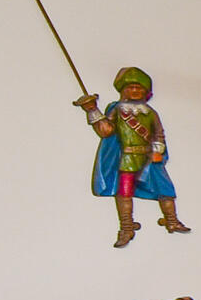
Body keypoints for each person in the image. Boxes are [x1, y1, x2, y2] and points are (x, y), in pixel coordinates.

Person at [75, 66, 190, 247]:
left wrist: (158, 150)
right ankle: (127, 227)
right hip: (127, 160)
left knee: (166, 189)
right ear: (124, 90)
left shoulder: (150, 113)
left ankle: (171, 220)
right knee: (124, 192)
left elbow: (158, 133)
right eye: (131, 87)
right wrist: (92, 110)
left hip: (150, 160)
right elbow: (106, 131)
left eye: (139, 88)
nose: (135, 91)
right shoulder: (117, 110)